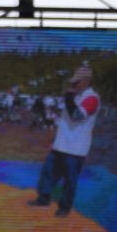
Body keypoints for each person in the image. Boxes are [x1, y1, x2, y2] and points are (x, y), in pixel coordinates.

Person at [32, 61, 99, 216]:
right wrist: (53, 139)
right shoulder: (76, 96)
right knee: (48, 172)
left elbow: (77, 116)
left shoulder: (92, 98)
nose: (73, 85)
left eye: (76, 82)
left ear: (86, 81)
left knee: (70, 179)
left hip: (76, 148)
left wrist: (69, 96)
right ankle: (43, 198)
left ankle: (64, 207)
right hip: (60, 144)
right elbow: (64, 120)